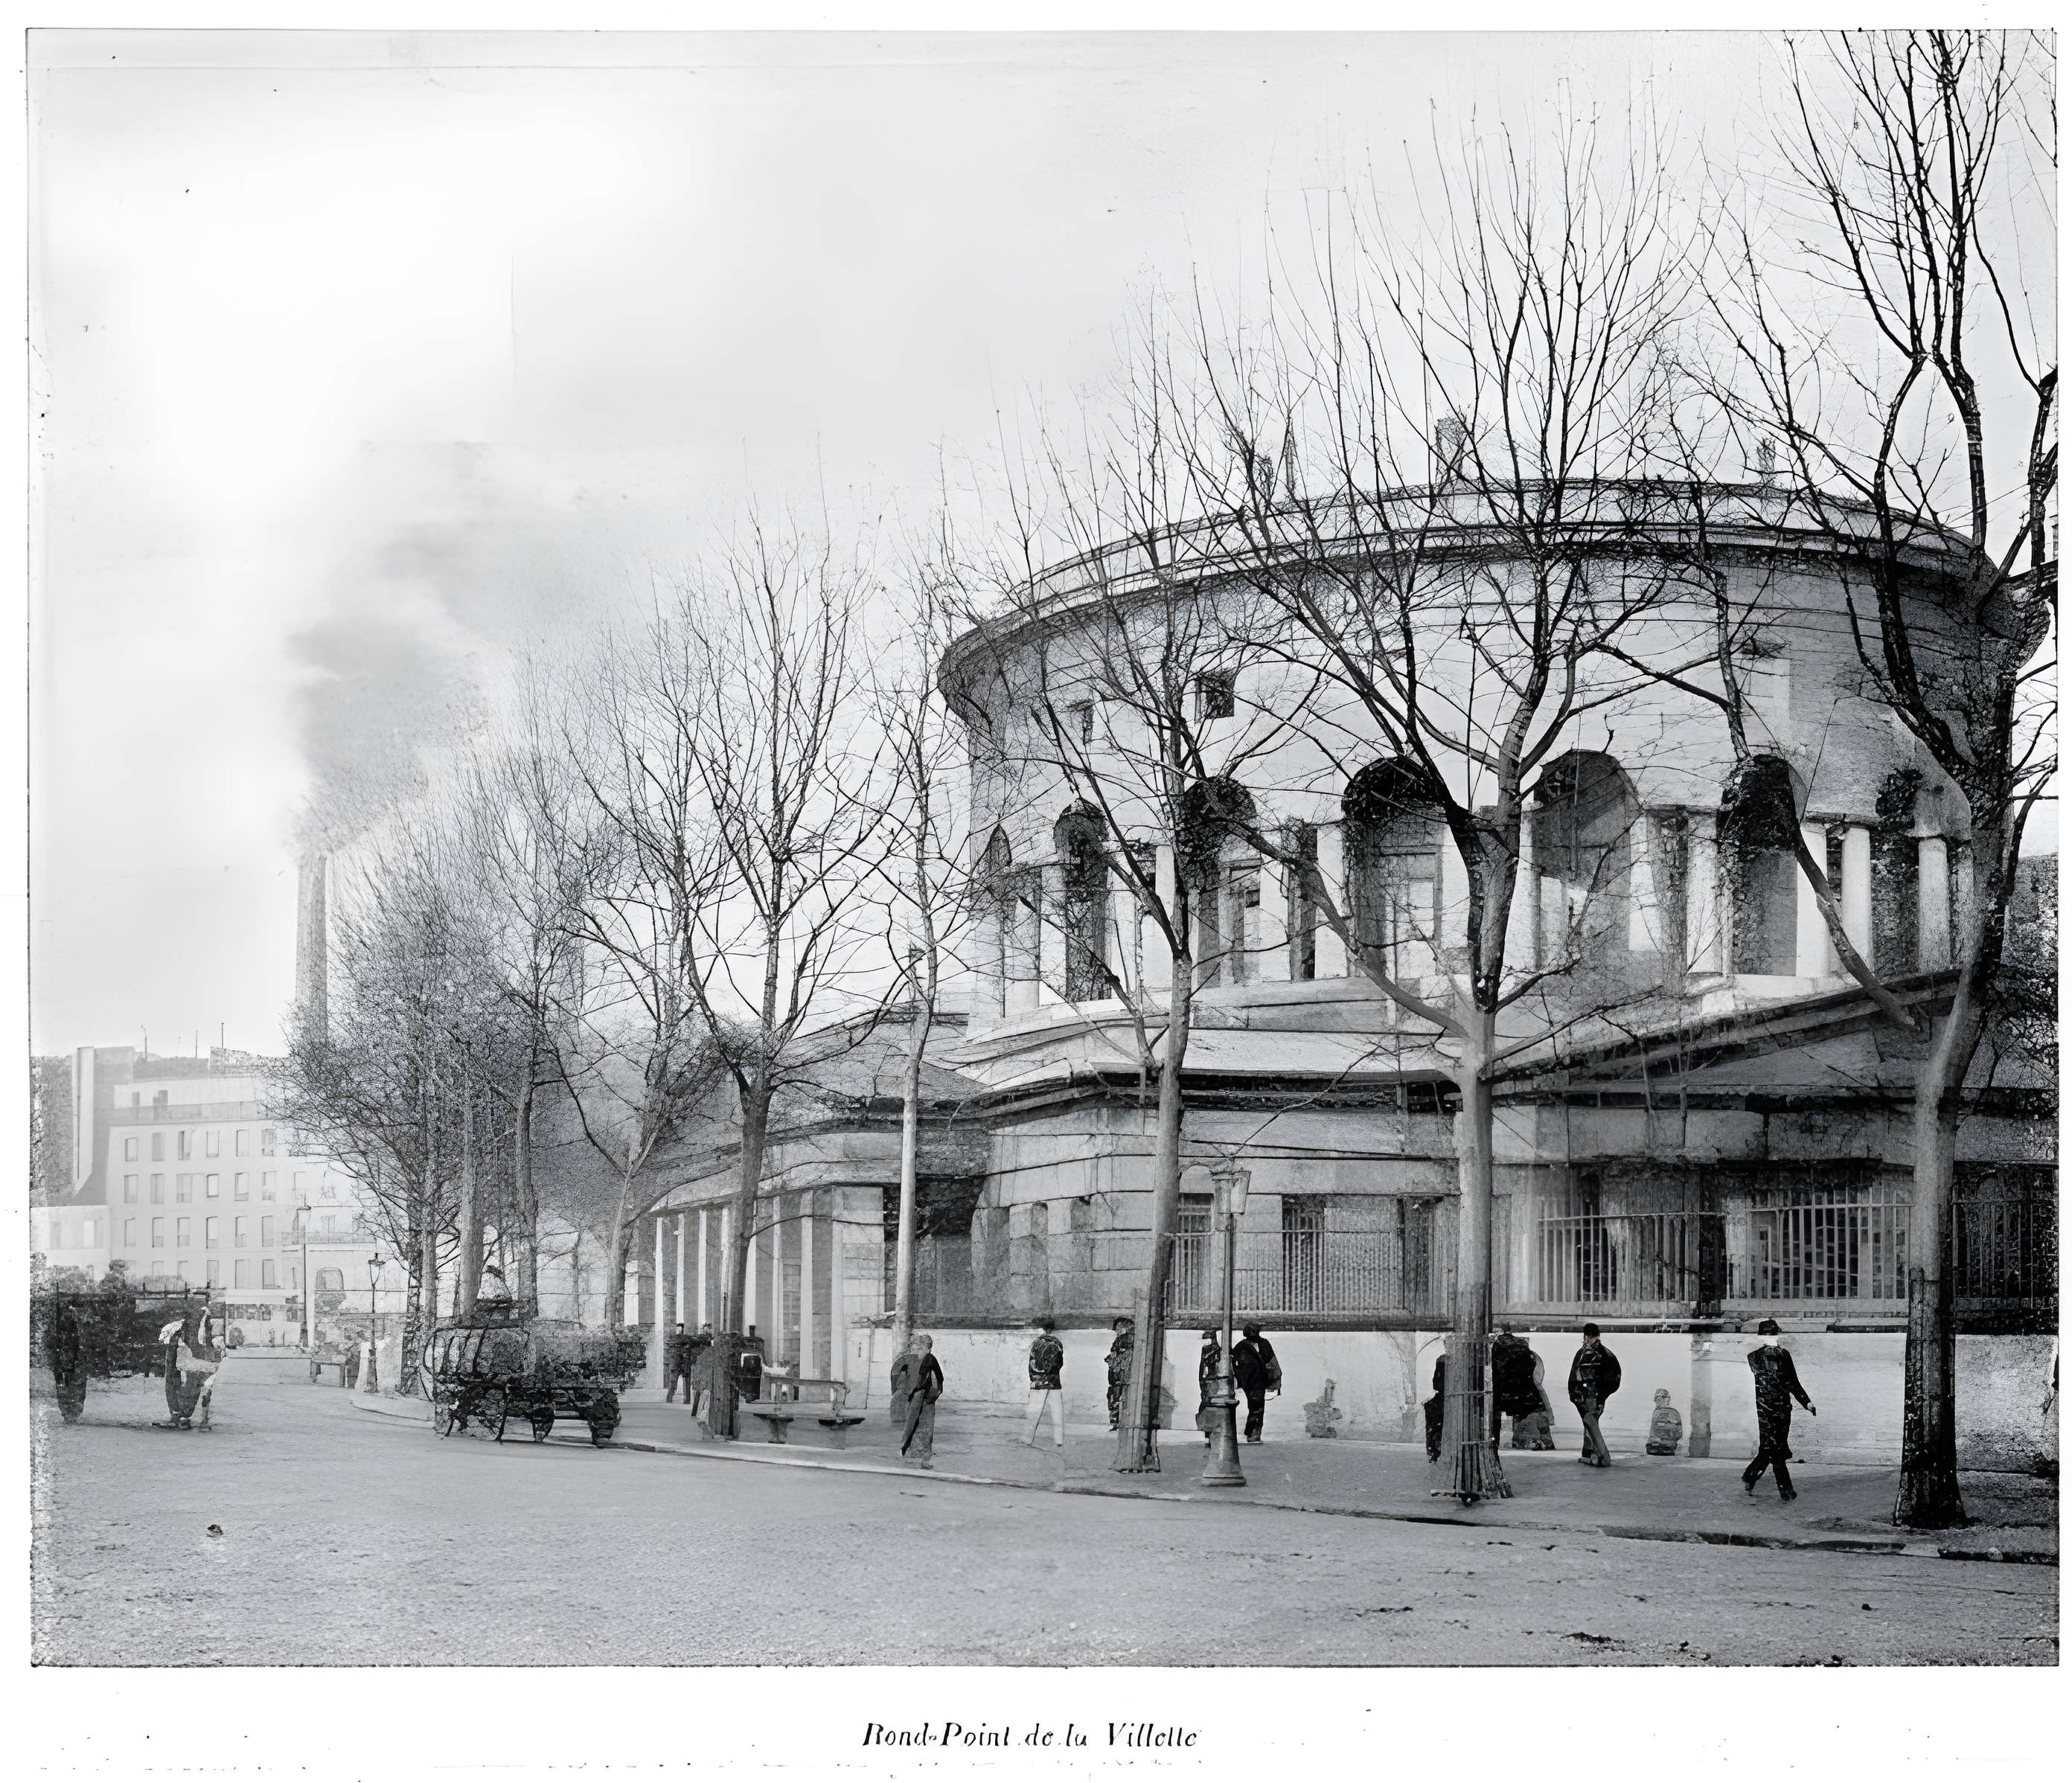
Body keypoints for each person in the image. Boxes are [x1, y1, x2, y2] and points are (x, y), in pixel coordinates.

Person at [1742, 1319, 1815, 1502]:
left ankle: (1750, 1476)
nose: (1770, 1338)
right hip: (1766, 1412)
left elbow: (1793, 1382)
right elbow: (1790, 1381)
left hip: (1783, 1409)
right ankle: (1786, 1489)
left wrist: (1807, 1403)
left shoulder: (1784, 1356)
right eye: (1767, 1335)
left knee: (1772, 1448)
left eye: (1772, 1335)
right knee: (1774, 1450)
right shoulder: (1755, 1357)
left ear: (1777, 1336)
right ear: (1761, 1337)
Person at [1567, 1322, 1621, 1467]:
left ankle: (1599, 1455)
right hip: (1597, 1396)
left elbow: (1575, 1376)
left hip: (1589, 1396)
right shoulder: (1606, 1353)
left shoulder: (1585, 1353)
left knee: (1590, 1423)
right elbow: (1615, 1377)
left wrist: (1575, 1395)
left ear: (1587, 1336)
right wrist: (1603, 1397)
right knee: (1590, 1424)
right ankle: (1590, 1453)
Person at [1491, 1325, 1541, 1447]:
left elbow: (1494, 1367)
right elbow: (1533, 1364)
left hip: (1502, 1388)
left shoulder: (1497, 1344)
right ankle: (1521, 1440)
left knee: (1496, 1413)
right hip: (1522, 1389)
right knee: (1521, 1413)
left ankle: (1496, 1441)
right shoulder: (1522, 1344)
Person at [900, 1334, 944, 1467]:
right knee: (920, 1428)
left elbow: (933, 1383)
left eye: (921, 1348)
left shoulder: (929, 1360)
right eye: (917, 1348)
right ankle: (919, 1458)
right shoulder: (924, 1360)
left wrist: (925, 1397)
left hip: (924, 1402)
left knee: (921, 1428)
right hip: (923, 1401)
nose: (918, 1350)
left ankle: (921, 1459)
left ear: (928, 1348)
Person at [1230, 1323, 1279, 1444]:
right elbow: (1232, 1362)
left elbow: (1272, 1362)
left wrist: (1274, 1380)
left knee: (1257, 1407)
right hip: (1249, 1381)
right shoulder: (1242, 1346)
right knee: (1256, 1407)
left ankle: (1253, 1433)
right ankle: (1252, 1433)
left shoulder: (1263, 1344)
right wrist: (1239, 1377)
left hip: (1259, 1380)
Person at [1023, 1317, 1065, 1450]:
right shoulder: (1058, 1343)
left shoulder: (1036, 1342)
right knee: (1057, 1411)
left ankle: (1028, 1439)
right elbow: (1060, 1363)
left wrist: (1033, 1379)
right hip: (1054, 1381)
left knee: (1034, 1411)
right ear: (1053, 1329)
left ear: (1042, 1328)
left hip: (1038, 1381)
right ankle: (1059, 1440)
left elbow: (1031, 1362)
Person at [1104, 1316, 1135, 1431]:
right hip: (1120, 1378)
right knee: (1116, 1398)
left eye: (1118, 1328)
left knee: (1115, 1399)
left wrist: (1111, 1361)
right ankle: (1117, 1422)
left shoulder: (1124, 1340)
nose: (1116, 1331)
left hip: (1120, 1377)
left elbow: (1119, 1358)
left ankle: (1116, 1423)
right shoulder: (1124, 1340)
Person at [1195, 1330, 1224, 1445]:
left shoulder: (1212, 1351)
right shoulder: (1214, 1350)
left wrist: (1204, 1381)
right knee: (1209, 1406)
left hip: (1210, 1383)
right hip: (1210, 1382)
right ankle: (1209, 1432)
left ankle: (1208, 1432)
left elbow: (1205, 1369)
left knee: (1208, 1406)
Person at [1424, 1350, 1448, 1462]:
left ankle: (1434, 1452)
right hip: (1451, 1398)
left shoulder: (1441, 1360)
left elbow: (1435, 1384)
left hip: (1443, 1398)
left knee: (1434, 1425)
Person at [1646, 1388, 1684, 1456]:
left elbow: (1678, 1433)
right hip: (1667, 1447)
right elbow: (1679, 1433)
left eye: (1662, 1397)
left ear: (1668, 1399)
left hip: (1660, 1447)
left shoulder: (1659, 1412)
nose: (1658, 1399)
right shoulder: (1673, 1412)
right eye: (1657, 1397)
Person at [664, 1323, 692, 1404]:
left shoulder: (687, 1338)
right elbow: (669, 1349)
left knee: (686, 1383)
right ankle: (669, 1399)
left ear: (683, 1329)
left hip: (685, 1363)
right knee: (673, 1382)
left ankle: (687, 1400)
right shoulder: (672, 1338)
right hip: (676, 1363)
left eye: (681, 1329)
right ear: (677, 1329)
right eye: (679, 1329)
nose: (680, 1330)